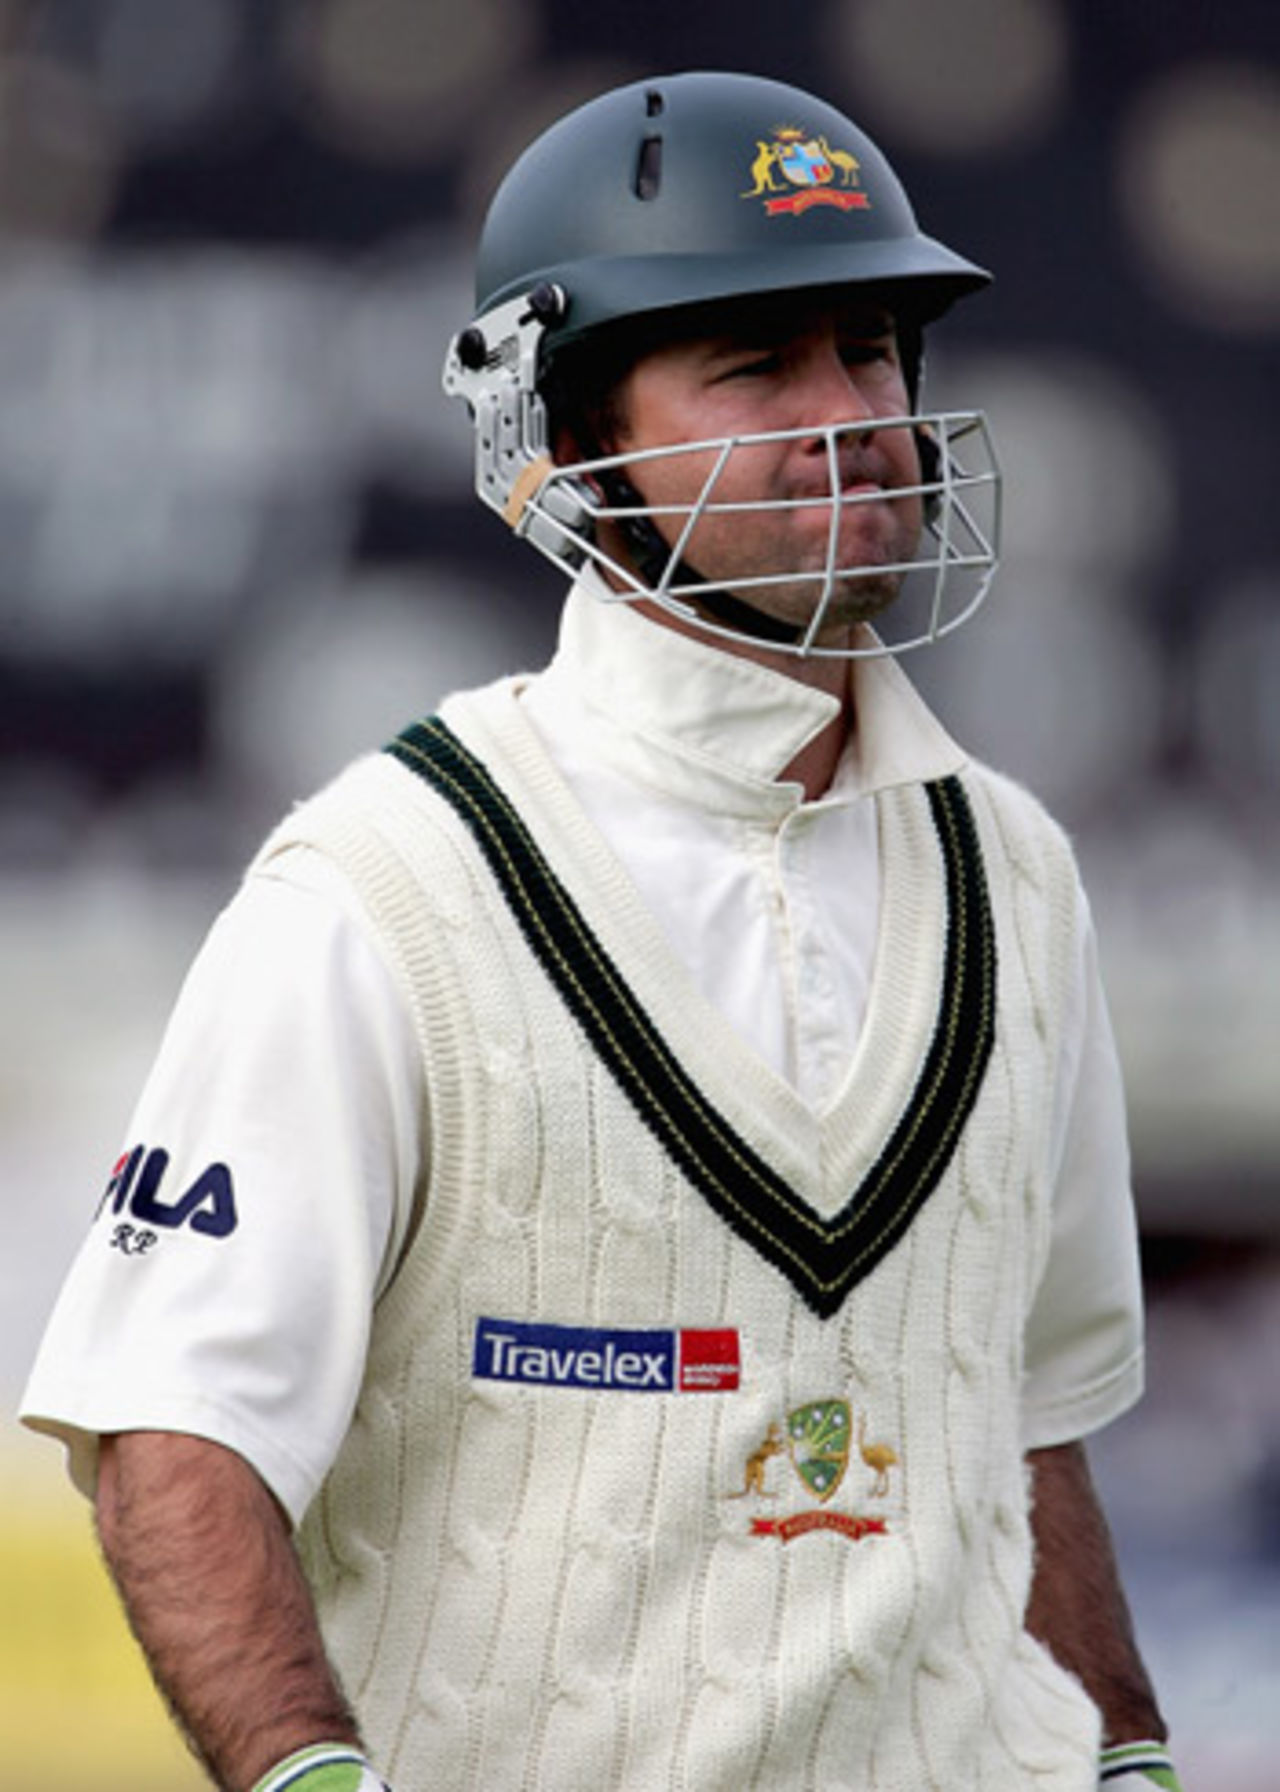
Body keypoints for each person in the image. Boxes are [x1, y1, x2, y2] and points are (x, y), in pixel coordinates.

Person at [20, 71, 1182, 1792]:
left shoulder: (1018, 872)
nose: (849, 416)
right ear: (564, 442)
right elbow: (172, 1443)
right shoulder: (379, 886)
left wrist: (1131, 1755)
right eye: (754, 365)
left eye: (869, 351)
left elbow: (1027, 1428)